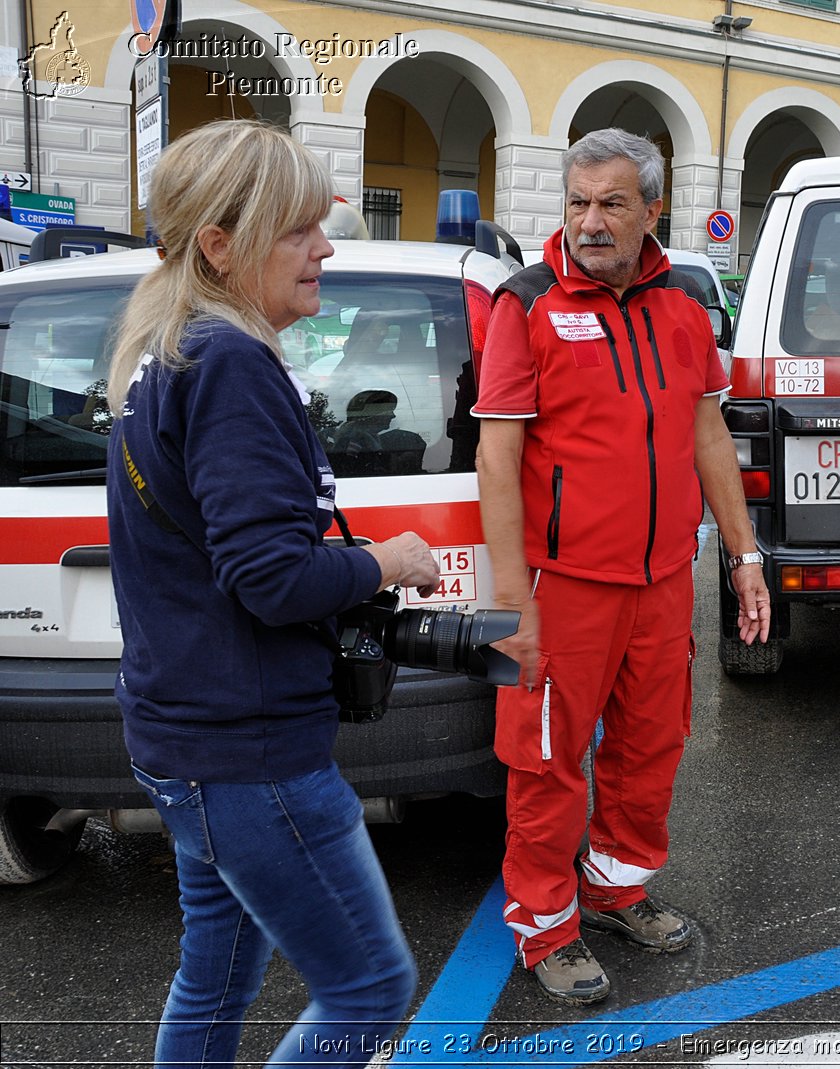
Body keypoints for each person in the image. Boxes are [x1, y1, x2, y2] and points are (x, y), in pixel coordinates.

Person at [105, 120, 440, 1068]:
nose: (325, 248)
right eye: (299, 230)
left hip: (189, 737)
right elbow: (271, 578)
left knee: (213, 974)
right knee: (370, 987)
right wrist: (388, 560)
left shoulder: (166, 354)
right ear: (220, 245)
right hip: (249, 751)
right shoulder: (230, 364)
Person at [474, 127, 770, 1006]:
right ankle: (545, 927)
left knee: (652, 744)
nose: (590, 221)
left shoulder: (683, 301)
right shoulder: (524, 302)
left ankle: (615, 889)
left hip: (663, 581)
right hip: (559, 586)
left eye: (610, 202)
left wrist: (744, 554)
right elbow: (498, 459)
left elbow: (707, 433)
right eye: (577, 202)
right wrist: (507, 602)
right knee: (546, 760)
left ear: (652, 209)